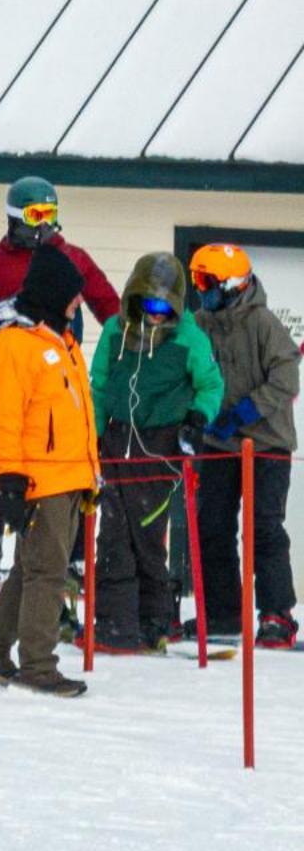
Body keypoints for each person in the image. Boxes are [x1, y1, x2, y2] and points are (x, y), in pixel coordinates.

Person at [0, 176, 119, 608]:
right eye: (35, 216)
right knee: (3, 464)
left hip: (58, 383)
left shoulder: (72, 259)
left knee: (67, 471)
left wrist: (120, 350)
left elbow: (110, 307)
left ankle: (70, 558)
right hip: (9, 377)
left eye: (50, 215)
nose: (45, 226)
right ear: (15, 219)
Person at [0, 244, 100, 697]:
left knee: (30, 570)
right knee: (47, 574)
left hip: (67, 478)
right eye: (73, 295)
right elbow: (5, 420)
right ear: (52, 293)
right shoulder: (14, 346)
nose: (79, 303)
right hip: (40, 480)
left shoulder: (62, 343)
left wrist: (88, 473)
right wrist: (11, 481)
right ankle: (38, 665)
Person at [88, 253, 223, 651]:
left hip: (159, 444)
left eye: (166, 307)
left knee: (146, 534)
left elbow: (210, 385)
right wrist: (93, 435)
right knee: (113, 533)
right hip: (116, 440)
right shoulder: (115, 331)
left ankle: (154, 621)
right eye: (150, 304)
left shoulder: (189, 339)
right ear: (134, 299)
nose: (157, 315)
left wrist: (197, 419)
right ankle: (114, 623)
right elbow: (98, 386)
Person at [190, 243, 301, 648]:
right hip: (218, 443)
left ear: (233, 284)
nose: (200, 289)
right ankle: (222, 614)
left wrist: (243, 413)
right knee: (212, 526)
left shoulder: (265, 324)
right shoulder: (200, 322)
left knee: (264, 528)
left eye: (207, 281)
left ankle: (277, 615)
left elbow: (286, 380)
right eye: (196, 279)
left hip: (266, 444)